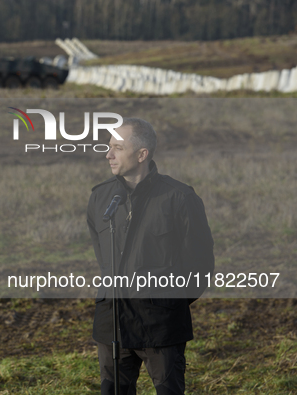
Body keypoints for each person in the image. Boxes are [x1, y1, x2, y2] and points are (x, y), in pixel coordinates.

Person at [87, 118, 214, 394]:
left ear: (142, 154)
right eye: (109, 147)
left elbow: (200, 265)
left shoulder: (179, 197)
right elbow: (104, 261)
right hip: (112, 322)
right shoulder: (99, 198)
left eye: (117, 148)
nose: (108, 154)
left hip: (162, 325)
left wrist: (167, 301)